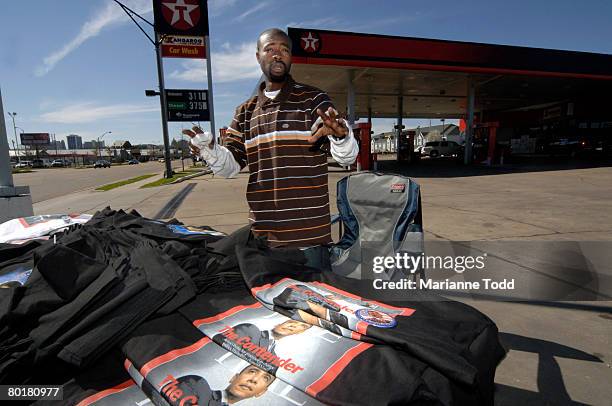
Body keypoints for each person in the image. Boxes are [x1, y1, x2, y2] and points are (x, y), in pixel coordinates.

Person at [183, 28, 358, 254]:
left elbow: (347, 157)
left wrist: (341, 137)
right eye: (270, 49)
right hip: (262, 238)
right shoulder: (245, 112)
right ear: (258, 57)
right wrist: (209, 151)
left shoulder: (313, 100)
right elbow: (230, 167)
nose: (278, 55)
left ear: (291, 57)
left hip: (310, 239)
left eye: (284, 49)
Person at [159, 364, 275, 405]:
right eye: (252, 371)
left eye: (265, 378)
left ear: (261, 392)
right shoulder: (196, 384)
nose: (254, 379)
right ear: (234, 377)